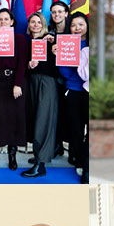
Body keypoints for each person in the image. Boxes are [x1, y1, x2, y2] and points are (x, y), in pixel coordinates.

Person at [22, 9, 66, 177]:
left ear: (44, 25)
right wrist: (29, 65)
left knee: (44, 121)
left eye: (39, 22)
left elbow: (58, 65)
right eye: (32, 22)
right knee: (35, 120)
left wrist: (54, 48)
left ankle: (41, 165)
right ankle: (39, 155)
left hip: (47, 83)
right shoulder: (28, 42)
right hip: (32, 83)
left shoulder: (49, 41)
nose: (35, 24)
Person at [0, 7, 28, 170]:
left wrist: (17, 84)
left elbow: (22, 63)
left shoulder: (20, 39)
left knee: (15, 117)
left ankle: (12, 153)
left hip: (16, 81)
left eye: (6, 19)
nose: (2, 22)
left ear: (12, 22)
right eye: (0, 20)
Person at [58, 10, 93, 177]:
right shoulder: (65, 43)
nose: (77, 28)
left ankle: (85, 159)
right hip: (73, 89)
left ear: (87, 26)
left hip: (90, 91)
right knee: (76, 128)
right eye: (73, 25)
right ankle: (78, 159)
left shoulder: (92, 44)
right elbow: (64, 72)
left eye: (81, 24)